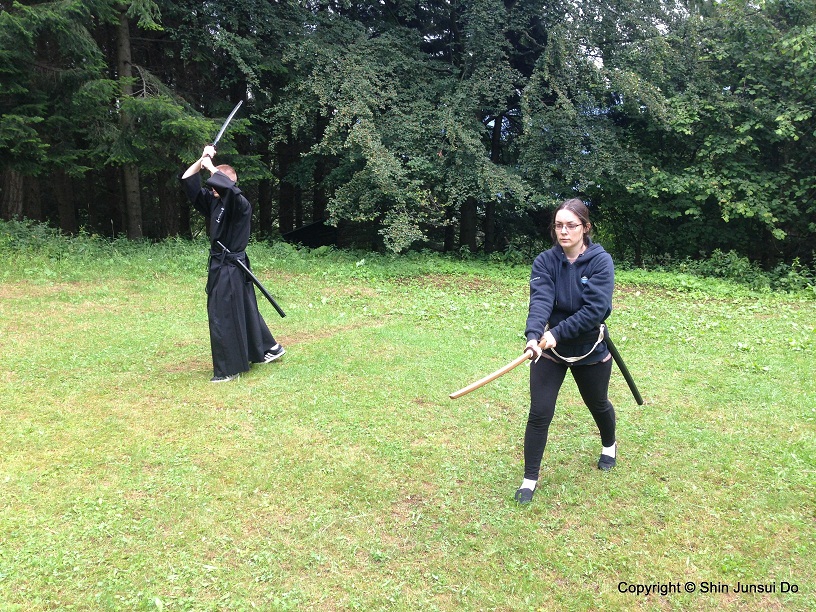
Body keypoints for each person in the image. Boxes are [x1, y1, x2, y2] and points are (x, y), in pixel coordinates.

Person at [515, 198, 616, 505]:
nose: (563, 231)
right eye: (559, 225)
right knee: (540, 412)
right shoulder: (545, 261)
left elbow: (596, 310)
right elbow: (541, 301)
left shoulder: (600, 261)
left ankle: (609, 445)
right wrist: (534, 336)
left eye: (571, 225)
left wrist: (556, 333)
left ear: (585, 228)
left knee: (597, 403)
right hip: (549, 350)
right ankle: (529, 479)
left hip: (589, 347)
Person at [180, 145, 285, 382]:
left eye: (216, 184)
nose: (212, 189)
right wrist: (202, 159)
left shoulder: (240, 204)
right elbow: (187, 179)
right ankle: (267, 348)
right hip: (222, 264)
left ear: (228, 184)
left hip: (231, 266)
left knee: (222, 314)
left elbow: (227, 188)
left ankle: (229, 368)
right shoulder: (214, 201)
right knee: (244, 307)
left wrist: (211, 167)